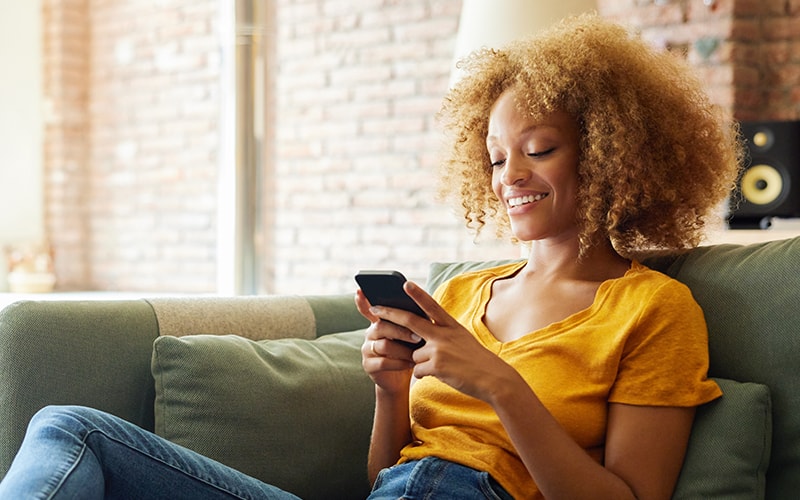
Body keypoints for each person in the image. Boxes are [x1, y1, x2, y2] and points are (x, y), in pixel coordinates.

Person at [0, 13, 740, 500]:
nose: (508, 176)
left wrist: (502, 387)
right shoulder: (467, 294)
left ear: (611, 155)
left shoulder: (653, 309)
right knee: (70, 428)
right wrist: (389, 393)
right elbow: (389, 476)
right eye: (492, 158)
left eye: (539, 150)